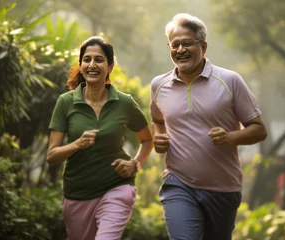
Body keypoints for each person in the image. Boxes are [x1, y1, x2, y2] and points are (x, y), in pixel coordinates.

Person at [150, 13, 267, 240]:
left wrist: (231, 137)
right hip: (178, 182)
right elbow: (157, 120)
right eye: (175, 45)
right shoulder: (159, 85)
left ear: (203, 46)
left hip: (222, 188)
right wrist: (160, 137)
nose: (181, 49)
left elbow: (259, 129)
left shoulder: (230, 80)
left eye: (188, 43)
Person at [47, 36, 153, 240]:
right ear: (80, 65)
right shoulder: (65, 103)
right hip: (78, 193)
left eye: (99, 59)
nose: (92, 65)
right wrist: (77, 144)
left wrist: (135, 163)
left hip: (117, 186)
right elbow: (52, 155)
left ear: (110, 66)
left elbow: (147, 140)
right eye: (87, 59)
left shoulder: (124, 103)